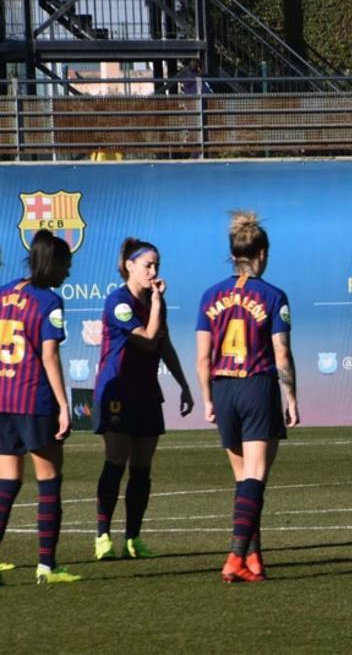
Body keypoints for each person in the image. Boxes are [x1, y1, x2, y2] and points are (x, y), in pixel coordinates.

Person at [196, 212, 298, 583]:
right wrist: (292, 399)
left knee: (244, 481)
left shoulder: (210, 296)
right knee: (256, 477)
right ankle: (235, 556)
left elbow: (202, 358)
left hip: (223, 389)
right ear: (262, 253)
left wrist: (207, 399)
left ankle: (253, 558)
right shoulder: (272, 295)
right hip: (256, 385)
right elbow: (282, 353)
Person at [93, 239, 194, 561]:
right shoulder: (118, 302)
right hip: (118, 392)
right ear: (129, 266)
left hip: (147, 393)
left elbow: (164, 345)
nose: (153, 271)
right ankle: (102, 537)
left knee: (142, 468)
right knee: (115, 462)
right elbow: (149, 340)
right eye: (148, 265)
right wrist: (159, 303)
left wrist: (183, 384)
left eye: (157, 265)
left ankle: (133, 538)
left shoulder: (152, 302)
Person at [0, 230, 78, 584]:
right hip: (33, 399)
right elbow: (49, 355)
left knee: (7, 481)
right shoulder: (48, 302)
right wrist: (64, 404)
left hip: (3, 398)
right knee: (48, 481)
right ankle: (47, 566)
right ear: (53, 263)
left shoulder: (3, 294)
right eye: (66, 265)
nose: (68, 273)